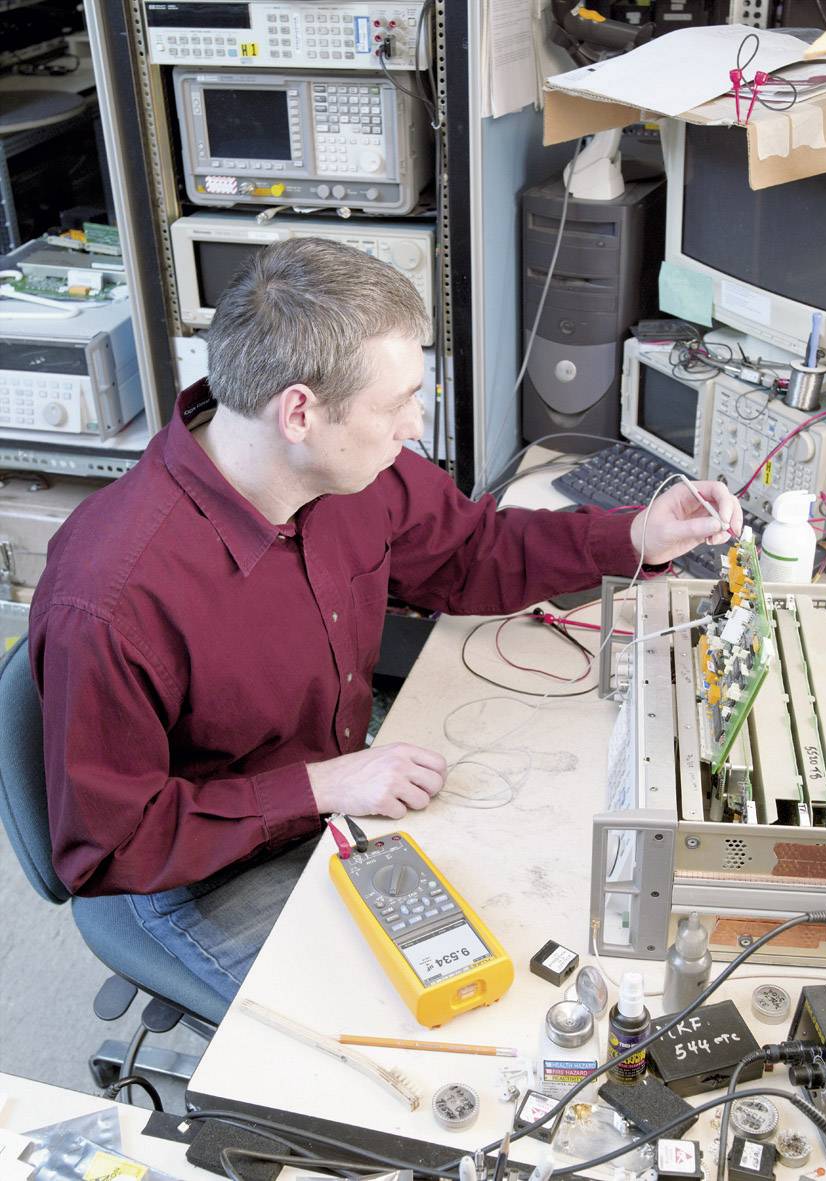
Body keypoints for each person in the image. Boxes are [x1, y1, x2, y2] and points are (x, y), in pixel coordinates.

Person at [29, 238, 742, 1007]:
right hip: (194, 865)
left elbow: (468, 551)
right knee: (405, 1032)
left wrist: (637, 535)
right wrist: (321, 784)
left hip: (333, 784)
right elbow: (111, 846)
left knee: (540, 922)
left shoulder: (344, 470)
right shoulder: (110, 599)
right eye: (398, 400)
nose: (416, 422)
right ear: (300, 409)